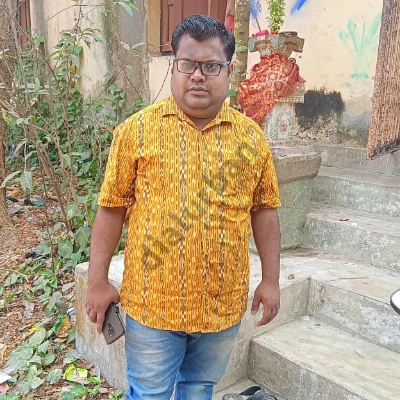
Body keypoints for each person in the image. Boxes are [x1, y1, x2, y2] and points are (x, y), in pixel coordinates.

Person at [85, 15, 281, 400]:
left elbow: (265, 210)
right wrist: (97, 281)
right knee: (149, 393)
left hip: (222, 306)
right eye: (187, 64)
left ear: (229, 71)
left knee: (199, 389)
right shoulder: (136, 132)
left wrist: (271, 280)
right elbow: (111, 209)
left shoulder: (252, 139)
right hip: (153, 307)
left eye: (211, 66)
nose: (198, 76)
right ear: (174, 66)